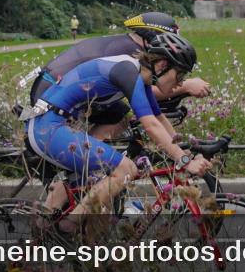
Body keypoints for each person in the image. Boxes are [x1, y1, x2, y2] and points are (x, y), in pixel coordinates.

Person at [25, 32, 211, 232]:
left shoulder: (139, 76)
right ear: (163, 65)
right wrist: (185, 162)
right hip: (48, 128)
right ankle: (69, 227)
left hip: (52, 124)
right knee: (126, 169)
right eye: (180, 75)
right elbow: (150, 125)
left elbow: (159, 119)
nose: (180, 83)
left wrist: (185, 155)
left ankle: (42, 233)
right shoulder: (127, 71)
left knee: (92, 181)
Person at [28, 12, 211, 140]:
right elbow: (141, 91)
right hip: (50, 94)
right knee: (119, 118)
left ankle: (91, 152)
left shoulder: (129, 46)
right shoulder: (131, 52)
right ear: (152, 38)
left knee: (120, 116)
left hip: (56, 89)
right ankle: (89, 159)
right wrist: (186, 86)